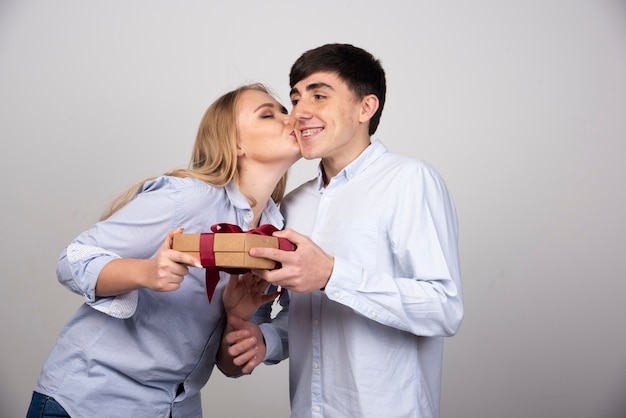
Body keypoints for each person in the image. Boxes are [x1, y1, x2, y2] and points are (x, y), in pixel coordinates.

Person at [26, 83, 301, 418]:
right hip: (90, 400)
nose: (290, 119)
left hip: (174, 408)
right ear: (236, 143)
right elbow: (71, 261)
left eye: (285, 111)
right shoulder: (187, 198)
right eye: (268, 114)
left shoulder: (274, 234)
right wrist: (147, 273)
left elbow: (230, 366)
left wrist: (237, 318)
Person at [221, 44, 464, 418]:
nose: (300, 113)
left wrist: (332, 274)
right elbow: (304, 317)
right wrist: (265, 339)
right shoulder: (294, 204)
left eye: (319, 95)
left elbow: (443, 308)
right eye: (296, 99)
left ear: (366, 108)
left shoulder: (409, 180)